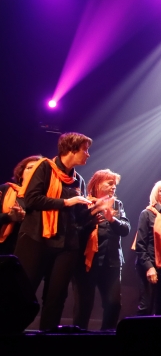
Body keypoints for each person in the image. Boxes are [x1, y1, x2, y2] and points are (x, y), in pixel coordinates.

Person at [14, 132, 93, 330]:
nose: (88, 154)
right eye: (85, 150)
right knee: (23, 292)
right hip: (36, 238)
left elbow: (78, 216)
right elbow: (32, 200)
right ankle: (10, 335)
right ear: (71, 150)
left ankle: (48, 341)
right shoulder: (44, 167)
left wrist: (93, 210)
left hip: (66, 244)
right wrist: (66, 202)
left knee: (57, 296)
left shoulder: (78, 180)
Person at [73, 169, 130, 330]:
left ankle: (107, 339)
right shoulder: (83, 203)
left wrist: (112, 219)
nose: (113, 187)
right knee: (84, 304)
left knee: (113, 304)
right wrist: (90, 223)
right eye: (109, 183)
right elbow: (74, 230)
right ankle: (78, 339)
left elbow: (125, 229)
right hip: (86, 262)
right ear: (97, 184)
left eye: (115, 185)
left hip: (111, 262)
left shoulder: (117, 204)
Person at [134, 180, 161, 316]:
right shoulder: (147, 214)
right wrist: (149, 267)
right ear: (155, 194)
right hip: (150, 265)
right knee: (146, 307)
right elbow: (140, 244)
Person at [0, 155, 41, 255]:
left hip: (30, 251)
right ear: (21, 173)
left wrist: (25, 218)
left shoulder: (46, 198)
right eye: (30, 167)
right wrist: (9, 217)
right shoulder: (5, 190)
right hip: (4, 248)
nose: (34, 171)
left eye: (38, 169)